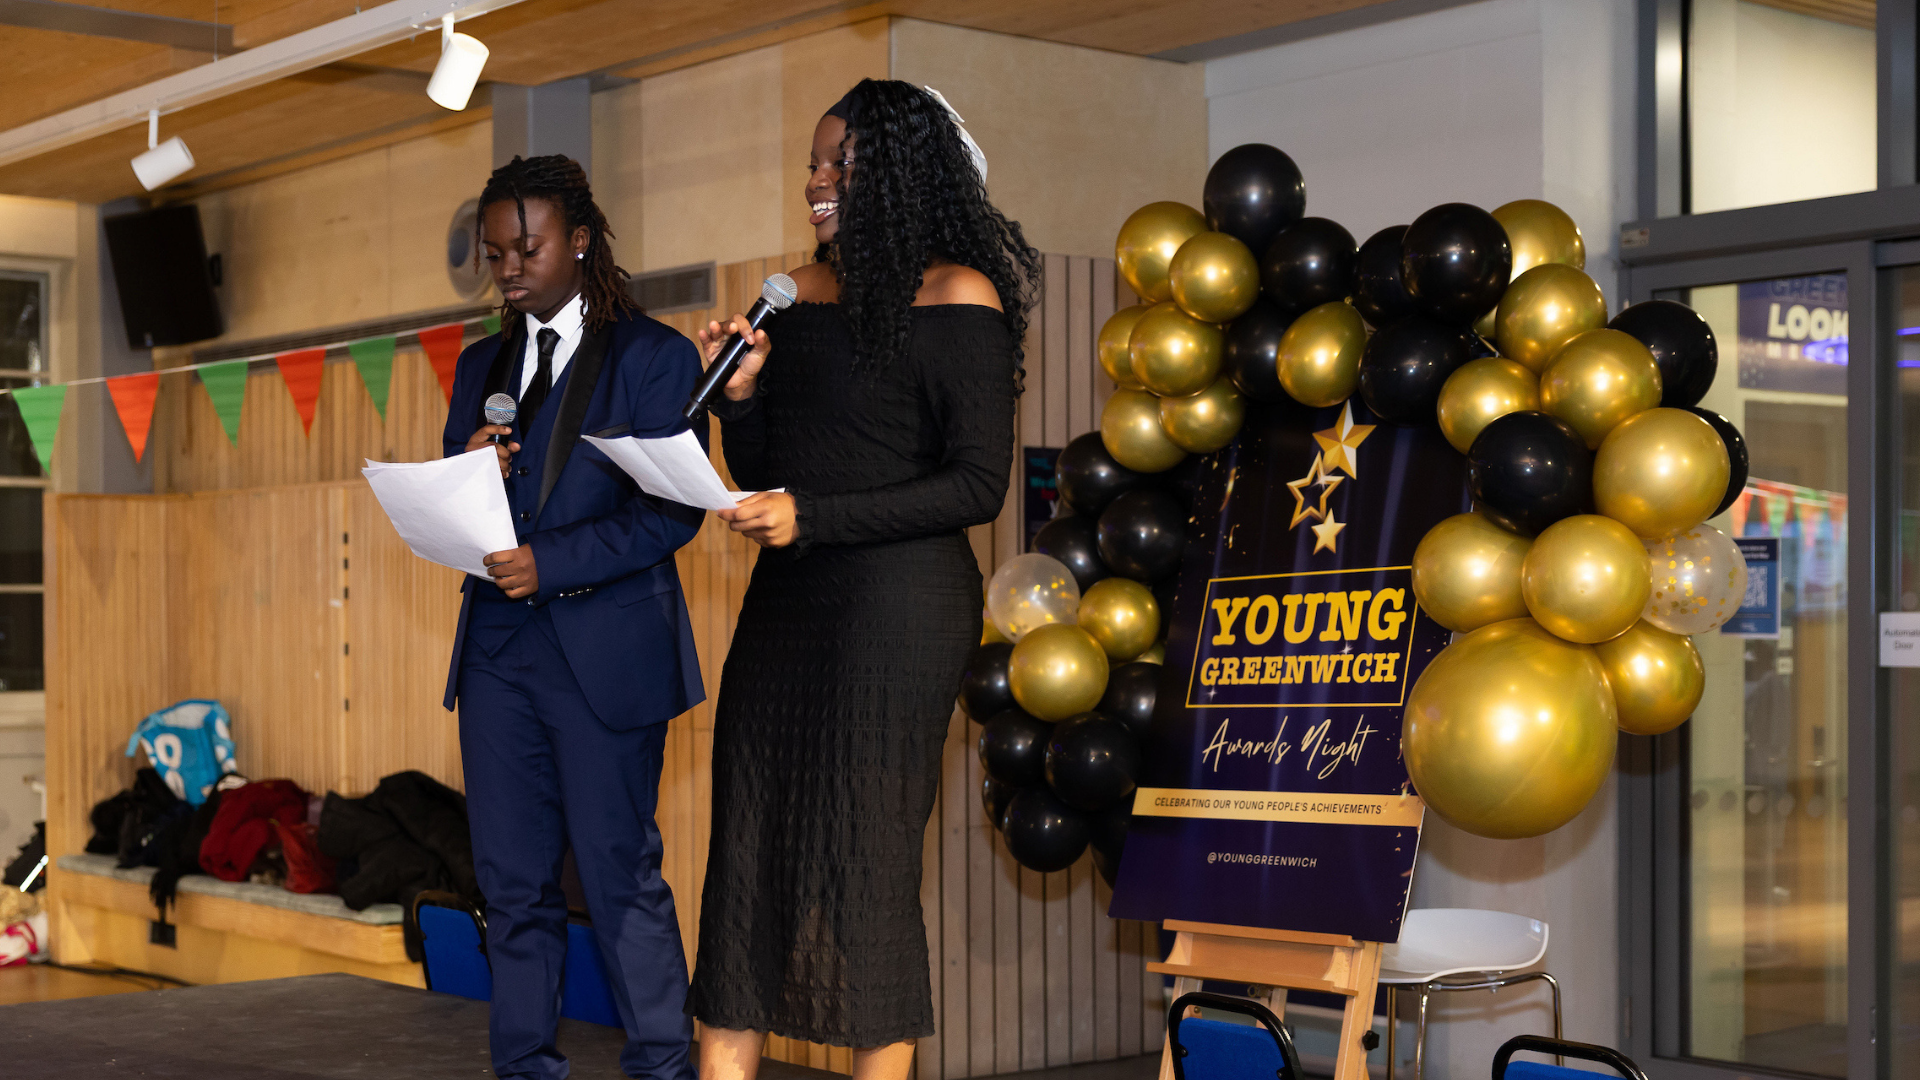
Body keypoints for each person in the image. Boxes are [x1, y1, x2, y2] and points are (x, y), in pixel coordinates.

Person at [687, 80, 1040, 1080]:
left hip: (899, 609)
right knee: (746, 856)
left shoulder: (960, 298)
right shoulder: (794, 295)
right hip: (789, 606)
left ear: (902, 174)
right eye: (813, 163)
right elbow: (770, 471)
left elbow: (975, 485)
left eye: (840, 164)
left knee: (865, 868)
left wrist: (815, 518)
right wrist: (740, 398)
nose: (817, 181)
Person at [442, 154, 705, 1080]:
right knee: (512, 883)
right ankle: (525, 1066)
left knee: (616, 871)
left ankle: (663, 1066)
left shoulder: (655, 356)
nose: (509, 268)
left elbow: (674, 511)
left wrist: (550, 563)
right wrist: (468, 472)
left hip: (604, 655)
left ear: (581, 240)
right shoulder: (478, 366)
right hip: (496, 655)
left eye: (528, 247)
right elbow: (462, 509)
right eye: (495, 253)